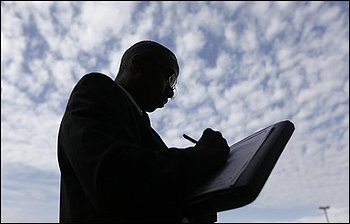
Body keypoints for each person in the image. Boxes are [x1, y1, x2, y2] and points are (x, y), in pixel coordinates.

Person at [57, 40, 230, 223]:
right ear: (138, 64)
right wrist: (203, 156)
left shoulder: (142, 127)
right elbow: (116, 183)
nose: (171, 93)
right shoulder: (96, 89)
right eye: (170, 78)